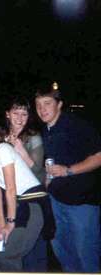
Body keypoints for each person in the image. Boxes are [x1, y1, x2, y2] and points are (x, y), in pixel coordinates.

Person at [35, 82, 101, 273]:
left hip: (82, 204)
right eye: (38, 105)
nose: (42, 109)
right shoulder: (46, 130)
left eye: (47, 103)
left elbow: (98, 156)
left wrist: (68, 170)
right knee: (62, 252)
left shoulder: (76, 125)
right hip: (57, 201)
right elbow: (53, 162)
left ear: (59, 104)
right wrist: (48, 178)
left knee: (86, 255)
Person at [0, 120, 46, 272]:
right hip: (15, 205)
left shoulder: (3, 149)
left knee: (7, 255)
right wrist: (0, 223)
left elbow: (11, 188)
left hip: (31, 204)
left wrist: (10, 223)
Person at [0, 96, 49, 271]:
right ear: (7, 114)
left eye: (24, 114)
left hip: (32, 198)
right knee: (14, 243)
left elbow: (38, 171)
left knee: (34, 247)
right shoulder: (0, 135)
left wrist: (21, 150)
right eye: (16, 113)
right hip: (11, 197)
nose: (20, 118)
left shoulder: (33, 136)